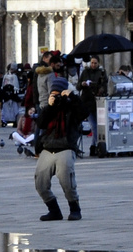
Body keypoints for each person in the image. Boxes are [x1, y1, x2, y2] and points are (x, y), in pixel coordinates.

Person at [33, 76, 89, 220]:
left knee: (67, 182)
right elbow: (41, 124)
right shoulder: (49, 108)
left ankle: (75, 209)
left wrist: (73, 98)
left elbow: (84, 114)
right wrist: (49, 107)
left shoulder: (71, 106)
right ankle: (54, 210)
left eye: (59, 94)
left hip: (65, 147)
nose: (57, 97)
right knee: (40, 183)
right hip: (48, 147)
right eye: (54, 94)